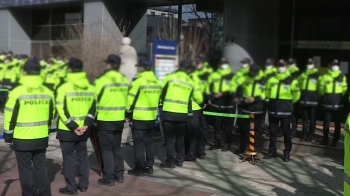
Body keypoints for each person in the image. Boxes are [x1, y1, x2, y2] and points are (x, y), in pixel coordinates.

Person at [3, 59, 55, 196]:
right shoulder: (48, 92)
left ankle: (28, 194)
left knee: (25, 169)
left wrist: (8, 135)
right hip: (41, 136)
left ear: (24, 72)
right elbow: (52, 114)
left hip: (22, 137)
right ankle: (45, 193)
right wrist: (46, 129)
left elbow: (10, 115)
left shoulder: (17, 92)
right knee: (41, 167)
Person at [56, 57, 96, 195]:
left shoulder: (64, 87)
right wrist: (86, 125)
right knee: (83, 156)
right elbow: (93, 109)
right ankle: (84, 185)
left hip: (67, 130)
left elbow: (61, 110)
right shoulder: (90, 87)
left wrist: (73, 126)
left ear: (70, 69)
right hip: (84, 130)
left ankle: (71, 187)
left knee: (69, 159)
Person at [160, 60, 203, 168]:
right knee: (180, 138)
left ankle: (170, 161)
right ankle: (180, 160)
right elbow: (199, 98)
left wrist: (162, 100)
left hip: (168, 112)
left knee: (169, 139)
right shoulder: (190, 81)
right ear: (188, 70)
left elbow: (161, 91)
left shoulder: (170, 77)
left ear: (179, 66)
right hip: (182, 114)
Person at [94, 54, 129, 185]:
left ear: (109, 64)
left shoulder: (102, 80)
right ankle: (119, 175)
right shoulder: (123, 80)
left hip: (104, 120)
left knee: (106, 150)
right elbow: (127, 100)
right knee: (117, 148)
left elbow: (94, 100)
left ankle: (108, 178)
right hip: (119, 120)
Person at [126, 59, 162, 176]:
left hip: (139, 117)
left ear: (142, 67)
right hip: (151, 117)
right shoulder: (157, 81)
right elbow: (159, 100)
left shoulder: (139, 81)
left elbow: (130, 98)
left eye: (139, 66)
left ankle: (139, 169)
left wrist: (127, 113)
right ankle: (149, 166)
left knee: (139, 144)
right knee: (149, 142)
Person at [264, 59, 300, 162]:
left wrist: (290, 103)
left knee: (286, 133)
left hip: (285, 111)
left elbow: (297, 94)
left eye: (283, 65)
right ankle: (272, 152)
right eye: (279, 65)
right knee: (273, 132)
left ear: (286, 67)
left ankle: (287, 152)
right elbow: (266, 91)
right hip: (273, 110)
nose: (281, 67)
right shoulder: (271, 80)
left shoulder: (292, 80)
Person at [231, 64, 266, 154]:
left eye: (254, 72)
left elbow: (266, 92)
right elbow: (233, 85)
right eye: (251, 72)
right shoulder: (245, 77)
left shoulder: (263, 79)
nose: (252, 73)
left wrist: (255, 98)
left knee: (256, 130)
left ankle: (254, 149)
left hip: (257, 108)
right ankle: (242, 148)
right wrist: (235, 97)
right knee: (243, 129)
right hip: (245, 107)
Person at [207, 57, 235, 151]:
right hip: (216, 106)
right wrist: (210, 98)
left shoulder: (232, 76)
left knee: (228, 127)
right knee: (216, 127)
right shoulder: (214, 75)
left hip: (229, 106)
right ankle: (217, 143)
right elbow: (208, 88)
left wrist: (222, 94)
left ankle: (227, 144)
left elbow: (234, 90)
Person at [319, 59, 347, 147]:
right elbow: (321, 89)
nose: (335, 65)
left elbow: (344, 89)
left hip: (338, 104)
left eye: (336, 64)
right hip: (328, 104)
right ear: (330, 65)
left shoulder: (342, 76)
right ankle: (325, 139)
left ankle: (335, 140)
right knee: (327, 123)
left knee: (337, 124)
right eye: (333, 64)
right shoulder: (325, 76)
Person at [185, 64, 204, 161]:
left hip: (191, 109)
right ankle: (201, 152)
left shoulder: (190, 79)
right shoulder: (198, 78)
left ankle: (191, 154)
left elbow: (197, 96)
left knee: (191, 134)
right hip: (198, 109)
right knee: (198, 132)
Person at [298, 58, 319, 142]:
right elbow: (298, 85)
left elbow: (321, 88)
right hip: (304, 101)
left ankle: (311, 135)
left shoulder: (317, 75)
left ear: (314, 65)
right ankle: (304, 134)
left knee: (312, 119)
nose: (309, 64)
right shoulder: (303, 75)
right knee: (305, 119)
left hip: (313, 102)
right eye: (308, 63)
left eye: (311, 63)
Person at [260, 58, 277, 135]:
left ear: (273, 65)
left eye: (269, 64)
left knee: (272, 115)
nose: (267, 65)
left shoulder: (276, 73)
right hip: (263, 96)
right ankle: (261, 128)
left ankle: (272, 129)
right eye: (267, 64)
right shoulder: (263, 73)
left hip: (272, 97)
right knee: (262, 114)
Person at [287, 58, 300, 137]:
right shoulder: (286, 72)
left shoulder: (297, 73)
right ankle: (285, 130)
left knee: (293, 116)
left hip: (294, 98)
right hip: (286, 97)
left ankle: (293, 131)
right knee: (286, 116)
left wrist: (294, 99)